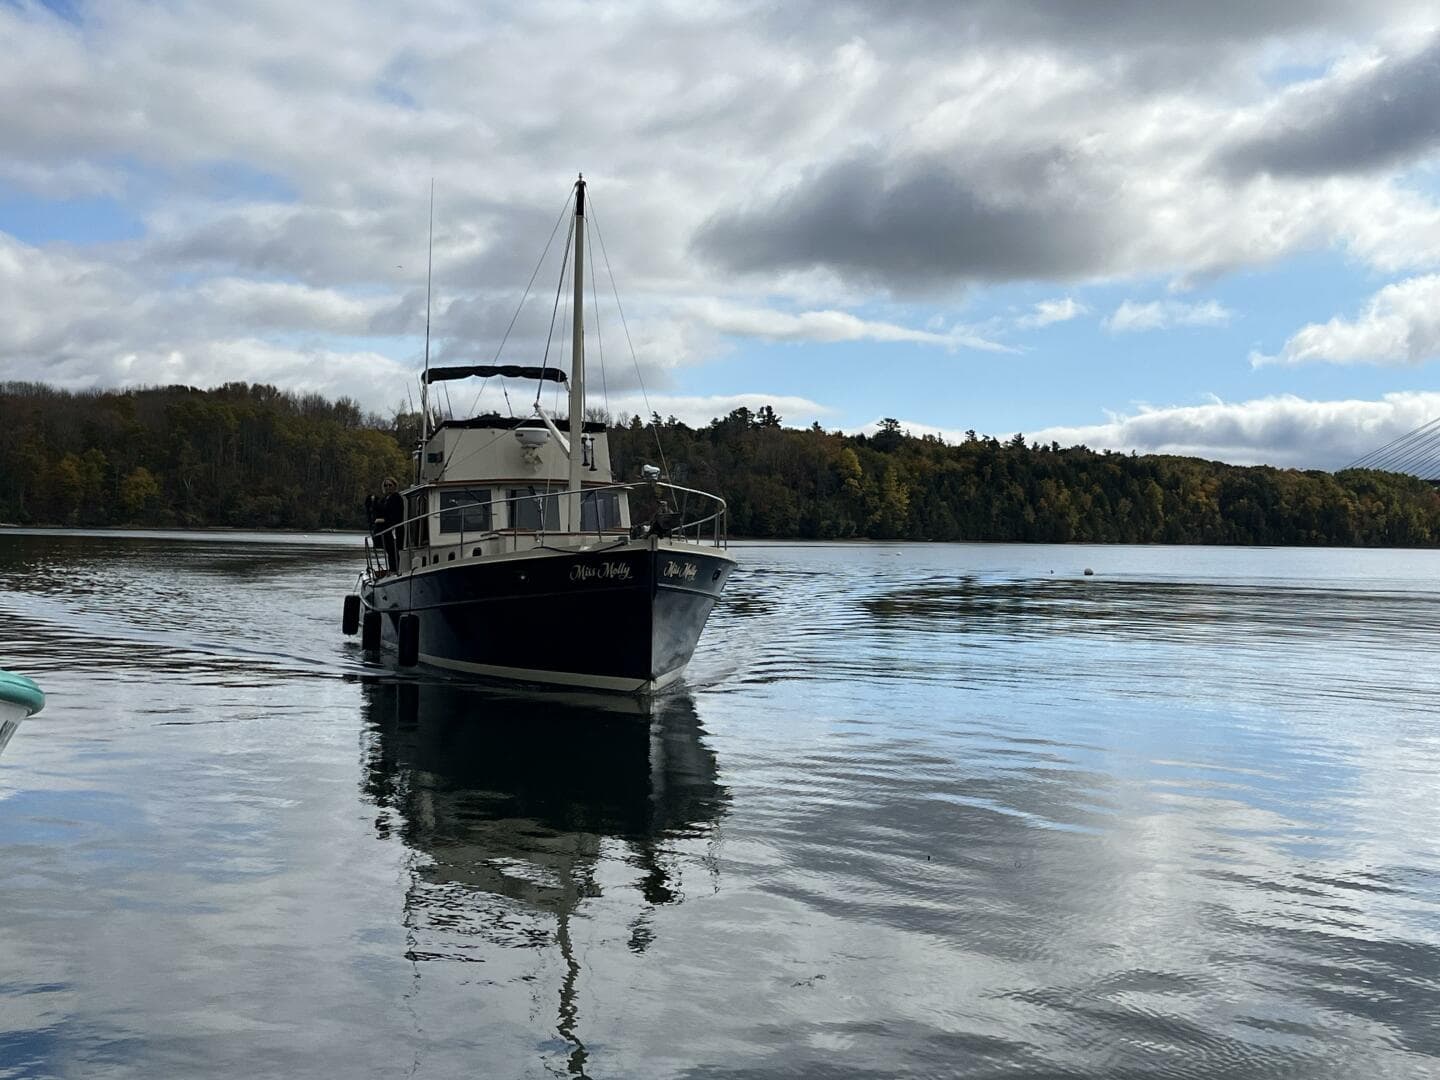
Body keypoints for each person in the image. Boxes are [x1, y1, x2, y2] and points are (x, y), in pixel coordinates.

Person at [368, 477, 404, 573]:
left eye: (390, 485)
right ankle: (392, 569)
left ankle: (395, 569)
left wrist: (384, 520)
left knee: (393, 550)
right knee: (389, 550)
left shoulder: (396, 498)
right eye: (385, 485)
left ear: (394, 486)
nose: (388, 487)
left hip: (393, 529)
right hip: (385, 529)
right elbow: (379, 510)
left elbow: (394, 514)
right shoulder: (384, 499)